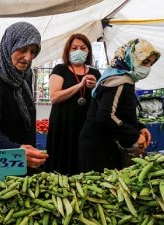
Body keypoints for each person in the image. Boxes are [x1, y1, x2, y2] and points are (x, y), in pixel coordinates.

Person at [0, 22, 48, 174]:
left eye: (33, 51)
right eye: (22, 49)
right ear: (10, 44)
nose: (28, 57)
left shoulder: (22, 76)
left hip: (18, 163)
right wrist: (17, 150)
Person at [78, 38, 161, 172]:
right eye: (145, 62)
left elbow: (119, 112)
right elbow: (106, 116)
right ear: (130, 57)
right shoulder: (120, 81)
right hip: (98, 147)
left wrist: (139, 127)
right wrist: (133, 136)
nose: (147, 68)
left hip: (100, 143)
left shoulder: (119, 77)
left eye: (151, 63)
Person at [44, 33, 101, 175]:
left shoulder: (95, 73)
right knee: (62, 159)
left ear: (88, 51)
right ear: (68, 51)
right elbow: (54, 97)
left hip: (86, 124)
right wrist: (80, 85)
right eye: (74, 48)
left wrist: (95, 87)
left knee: (83, 159)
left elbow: (101, 99)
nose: (78, 51)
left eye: (83, 48)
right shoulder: (60, 70)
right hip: (63, 123)